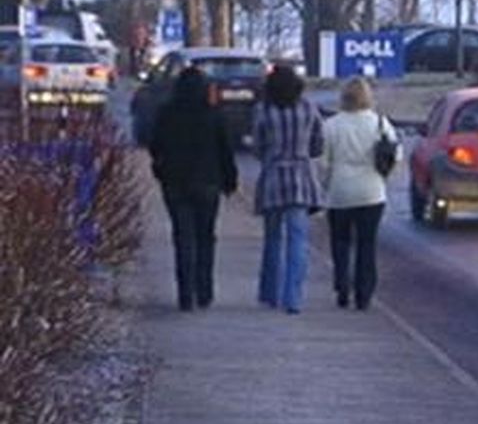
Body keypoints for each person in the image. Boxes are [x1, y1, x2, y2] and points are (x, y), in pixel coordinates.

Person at [149, 66, 238, 311]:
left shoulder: (167, 114)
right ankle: (204, 290)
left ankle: (185, 293)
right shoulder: (213, 115)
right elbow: (225, 151)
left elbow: (155, 146)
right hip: (208, 183)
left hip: (175, 183)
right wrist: (230, 180)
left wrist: (160, 170)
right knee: (205, 237)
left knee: (182, 237)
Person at [319, 77, 401, 311]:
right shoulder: (380, 124)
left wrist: (326, 186)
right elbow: (396, 155)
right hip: (371, 192)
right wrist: (384, 177)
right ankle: (364, 293)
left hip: (340, 191)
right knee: (367, 244)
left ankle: (342, 285)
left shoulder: (332, 125)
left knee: (340, 241)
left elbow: (323, 162)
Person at [253, 64, 324, 314]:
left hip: (273, 176)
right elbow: (318, 143)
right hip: (302, 177)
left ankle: (269, 293)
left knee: (272, 238)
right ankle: (293, 297)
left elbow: (258, 146)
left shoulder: (263, 110)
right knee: (298, 239)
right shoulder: (307, 107)